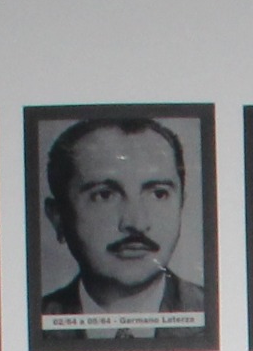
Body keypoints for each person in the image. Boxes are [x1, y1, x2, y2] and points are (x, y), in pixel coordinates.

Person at [39, 114, 208, 328]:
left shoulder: (218, 312)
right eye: (105, 195)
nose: (136, 223)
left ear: (181, 204)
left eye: (158, 194)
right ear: (57, 217)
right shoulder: (32, 319)